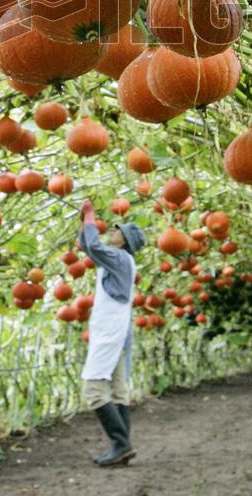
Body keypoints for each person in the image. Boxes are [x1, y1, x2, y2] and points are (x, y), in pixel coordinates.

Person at [77, 198, 146, 467]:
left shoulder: (119, 258)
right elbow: (88, 246)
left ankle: (121, 444)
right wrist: (85, 221)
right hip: (115, 331)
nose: (112, 233)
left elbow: (93, 245)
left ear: (125, 240)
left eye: (117, 232)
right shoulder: (120, 260)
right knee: (118, 391)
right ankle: (122, 448)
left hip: (109, 332)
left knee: (93, 389)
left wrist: (92, 215)